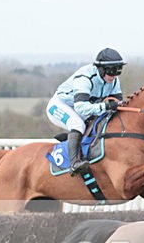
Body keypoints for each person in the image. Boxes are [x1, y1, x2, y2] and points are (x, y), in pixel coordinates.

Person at [45, 48, 126, 176]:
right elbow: (81, 107)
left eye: (118, 70)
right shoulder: (85, 78)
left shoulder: (113, 80)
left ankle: (70, 139)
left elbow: (118, 102)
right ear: (101, 69)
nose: (114, 75)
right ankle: (74, 163)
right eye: (111, 70)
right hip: (60, 105)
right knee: (78, 125)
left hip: (83, 106)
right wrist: (105, 106)